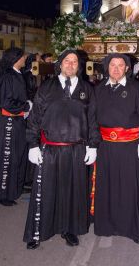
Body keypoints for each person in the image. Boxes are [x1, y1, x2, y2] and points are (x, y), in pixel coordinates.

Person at [23, 49, 100, 250]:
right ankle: (38, 231)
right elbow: (35, 118)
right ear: (60, 64)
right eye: (67, 61)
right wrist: (32, 144)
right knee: (45, 191)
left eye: (74, 62)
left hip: (77, 150)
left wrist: (93, 145)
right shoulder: (47, 87)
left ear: (79, 66)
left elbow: (92, 120)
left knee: (73, 191)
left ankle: (69, 229)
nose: (71, 64)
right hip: (50, 149)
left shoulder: (87, 89)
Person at [94, 54, 139, 244]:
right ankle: (106, 225)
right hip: (105, 147)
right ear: (107, 67)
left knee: (130, 188)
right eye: (113, 65)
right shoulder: (98, 90)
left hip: (130, 147)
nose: (117, 69)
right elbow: (91, 119)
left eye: (121, 65)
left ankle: (133, 230)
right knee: (107, 187)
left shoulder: (137, 89)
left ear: (127, 68)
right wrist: (92, 143)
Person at [0, 48, 31, 206]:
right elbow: (6, 103)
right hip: (10, 123)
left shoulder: (17, 74)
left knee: (18, 155)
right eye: (23, 56)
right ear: (16, 58)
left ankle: (15, 187)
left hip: (18, 121)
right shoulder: (7, 77)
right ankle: (2, 193)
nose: (25, 58)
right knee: (7, 158)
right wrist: (25, 106)